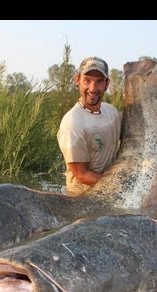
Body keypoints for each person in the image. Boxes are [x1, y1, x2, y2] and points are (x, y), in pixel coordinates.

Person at [57, 56, 121, 196]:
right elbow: (81, 174)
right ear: (77, 80)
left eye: (99, 82)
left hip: (109, 195)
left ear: (107, 84)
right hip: (82, 200)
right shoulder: (72, 122)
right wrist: (119, 187)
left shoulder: (112, 113)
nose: (92, 89)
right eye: (87, 81)